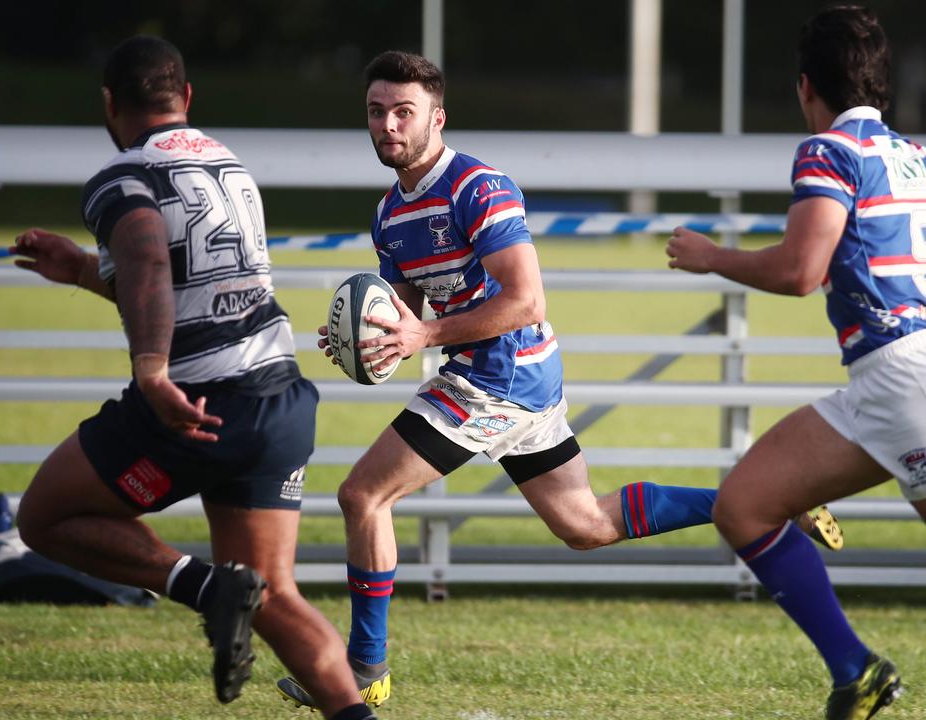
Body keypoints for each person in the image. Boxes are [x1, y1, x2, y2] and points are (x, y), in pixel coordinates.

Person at [274, 49, 845, 711]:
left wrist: (423, 337)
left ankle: (361, 673)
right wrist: (367, 342)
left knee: (363, 495)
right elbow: (407, 318)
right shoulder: (388, 215)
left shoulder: (476, 187)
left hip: (501, 376)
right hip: (499, 376)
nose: (389, 125)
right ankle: (761, 501)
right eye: (377, 112)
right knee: (585, 525)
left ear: (438, 117)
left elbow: (526, 301)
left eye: (405, 112)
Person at [666, 6, 926, 719]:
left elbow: (804, 270)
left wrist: (713, 258)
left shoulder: (828, 152)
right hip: (896, 382)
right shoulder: (920, 159)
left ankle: (855, 668)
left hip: (906, 383)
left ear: (807, 87)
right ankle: (855, 674)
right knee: (746, 505)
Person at [9, 35, 381, 720]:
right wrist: (87, 271)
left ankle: (206, 589)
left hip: (196, 403)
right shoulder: (227, 163)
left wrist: (150, 372)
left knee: (44, 517)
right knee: (274, 592)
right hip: (278, 398)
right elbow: (185, 288)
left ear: (108, 104)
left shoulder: (122, 176)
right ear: (185, 98)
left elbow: (149, 264)